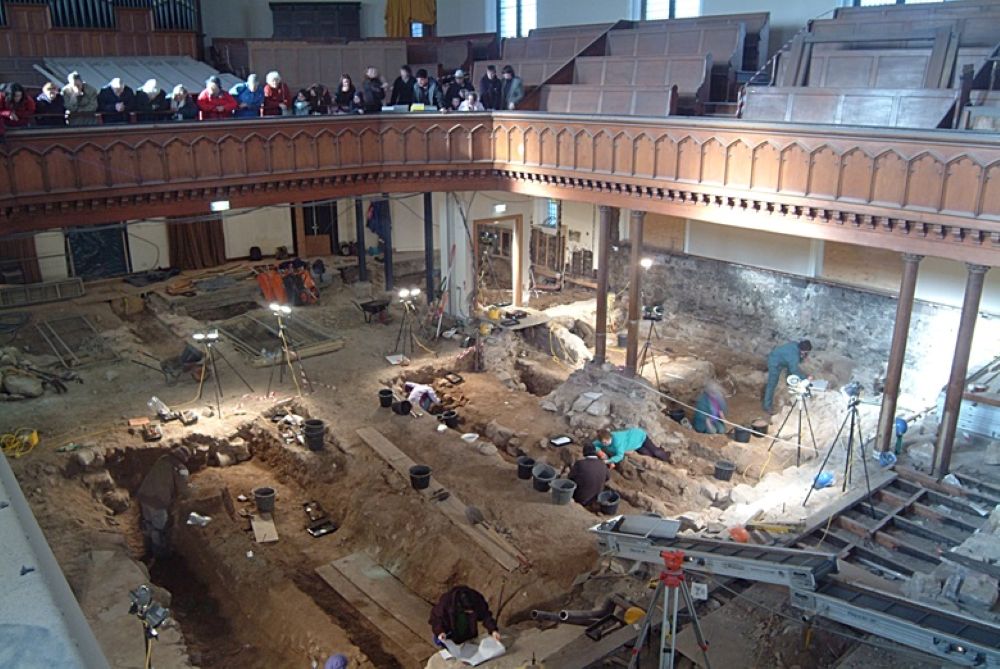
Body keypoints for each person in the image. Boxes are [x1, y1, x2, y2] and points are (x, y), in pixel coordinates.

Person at [136, 445, 191, 558]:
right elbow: (184, 490)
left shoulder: (163, 458)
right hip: (158, 501)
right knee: (159, 529)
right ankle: (159, 556)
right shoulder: (181, 469)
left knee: (148, 523)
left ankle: (148, 550)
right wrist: (194, 490)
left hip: (144, 495)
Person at [430, 586, 501, 646]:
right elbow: (436, 619)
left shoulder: (476, 599)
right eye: (468, 611)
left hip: (468, 632)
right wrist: (440, 632)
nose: (471, 612)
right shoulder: (446, 602)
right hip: (450, 632)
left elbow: (485, 615)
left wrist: (493, 630)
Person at [763, 340, 812, 414]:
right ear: (803, 350)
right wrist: (805, 378)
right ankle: (767, 406)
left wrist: (802, 357)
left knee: (791, 370)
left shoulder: (796, 345)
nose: (807, 354)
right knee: (772, 384)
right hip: (774, 362)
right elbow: (794, 370)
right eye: (806, 352)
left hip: (782, 359)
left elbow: (795, 362)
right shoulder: (794, 356)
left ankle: (789, 382)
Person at [594, 427, 671, 467]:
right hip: (634, 444)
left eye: (606, 442)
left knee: (656, 452)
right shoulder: (603, 441)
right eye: (603, 443)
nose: (605, 444)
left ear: (610, 437)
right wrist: (600, 452)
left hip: (639, 437)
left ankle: (666, 456)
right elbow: (594, 444)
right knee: (647, 455)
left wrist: (608, 461)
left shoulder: (617, 442)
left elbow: (620, 455)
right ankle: (657, 454)